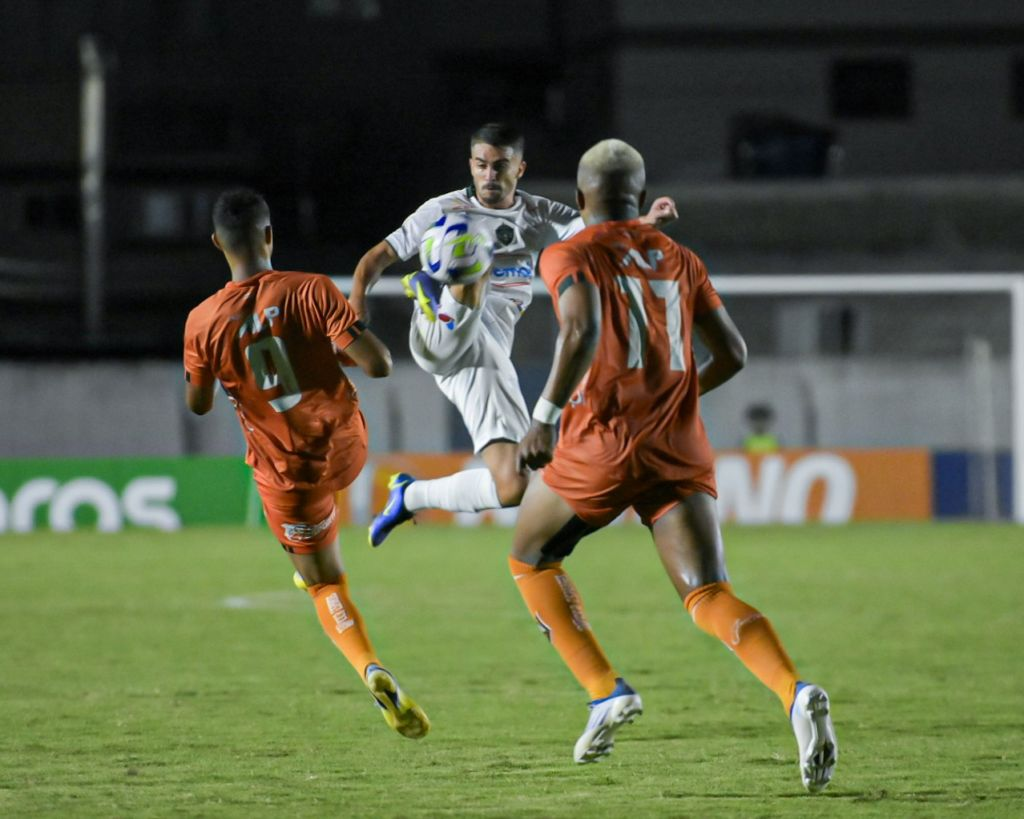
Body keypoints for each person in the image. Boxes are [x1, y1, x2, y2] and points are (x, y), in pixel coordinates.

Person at [509, 140, 837, 791]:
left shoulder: (566, 251)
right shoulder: (679, 257)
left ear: (579, 200)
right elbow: (735, 353)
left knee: (529, 554)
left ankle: (605, 689)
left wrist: (543, 414)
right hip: (678, 443)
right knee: (707, 591)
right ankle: (794, 691)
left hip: (602, 440)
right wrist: (676, 397)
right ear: (639, 194)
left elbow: (578, 329)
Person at [353, 123, 677, 546]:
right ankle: (437, 285)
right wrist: (357, 304)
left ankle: (410, 495)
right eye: (481, 165)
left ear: (519, 169)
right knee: (468, 245)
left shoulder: (539, 214)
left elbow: (602, 235)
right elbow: (376, 258)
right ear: (471, 165)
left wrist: (645, 223)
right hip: (438, 331)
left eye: (500, 166)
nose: (489, 175)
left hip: (480, 359)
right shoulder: (442, 208)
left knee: (515, 484)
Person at [183, 188, 429, 739]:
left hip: (286, 476)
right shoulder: (311, 289)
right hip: (347, 449)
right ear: (270, 236)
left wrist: (229, 374)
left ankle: (370, 665)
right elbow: (380, 365)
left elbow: (197, 405)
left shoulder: (201, 321)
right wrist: (331, 340)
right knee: (315, 542)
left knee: (321, 582)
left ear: (218, 245)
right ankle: (311, 558)